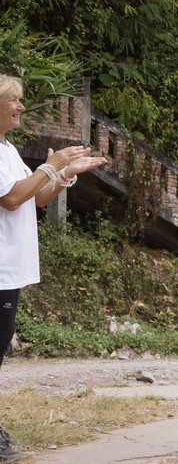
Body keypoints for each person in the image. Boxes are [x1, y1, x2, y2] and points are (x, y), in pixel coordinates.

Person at [0, 73, 107, 462]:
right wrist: (50, 166)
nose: (21, 107)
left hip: (10, 269)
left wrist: (64, 174)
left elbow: (36, 198)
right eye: (14, 100)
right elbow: (11, 199)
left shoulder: (8, 150)